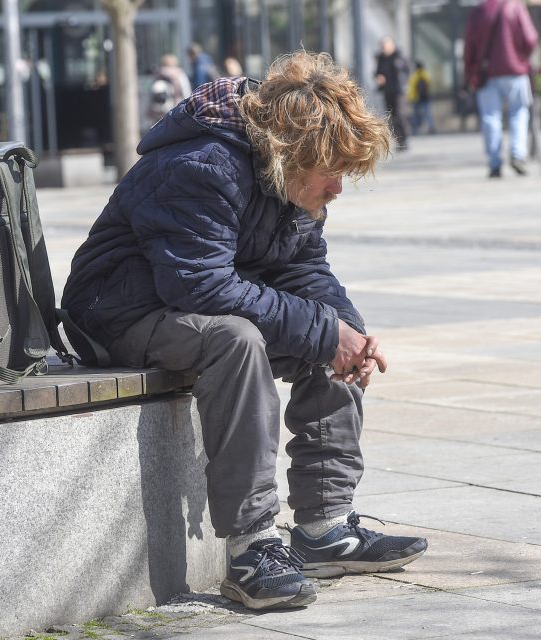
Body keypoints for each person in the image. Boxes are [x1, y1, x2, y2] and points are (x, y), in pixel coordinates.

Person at [61, 51, 428, 611]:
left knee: (323, 332)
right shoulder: (202, 164)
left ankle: (324, 530)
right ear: (292, 152)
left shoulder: (288, 174)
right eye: (332, 171)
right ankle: (253, 547)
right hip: (119, 312)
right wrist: (325, 332)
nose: (338, 189)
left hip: (189, 300)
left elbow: (302, 269)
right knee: (238, 338)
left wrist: (346, 331)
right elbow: (200, 288)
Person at [463, 0, 538, 178]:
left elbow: (469, 46)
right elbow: (530, 39)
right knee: (519, 112)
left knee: (490, 117)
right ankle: (518, 154)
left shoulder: (479, 11)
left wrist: (469, 73)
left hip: (487, 72)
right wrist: (521, 57)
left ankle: (494, 162)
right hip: (515, 71)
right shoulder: (515, 7)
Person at [374, 36, 410, 150]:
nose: (384, 48)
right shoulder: (381, 58)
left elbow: (408, 70)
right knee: (391, 117)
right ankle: (399, 140)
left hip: (398, 91)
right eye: (382, 46)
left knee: (400, 115)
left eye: (386, 45)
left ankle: (404, 139)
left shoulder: (399, 56)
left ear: (392, 45)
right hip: (387, 91)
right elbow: (377, 72)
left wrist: (404, 82)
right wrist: (379, 77)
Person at [147, 53, 192, 123]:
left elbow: (151, 93)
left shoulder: (157, 74)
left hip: (159, 111)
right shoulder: (179, 74)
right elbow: (186, 92)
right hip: (175, 110)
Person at [407, 61, 436, 135]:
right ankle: (430, 127)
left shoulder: (416, 75)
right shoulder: (425, 74)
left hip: (416, 98)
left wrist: (409, 97)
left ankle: (416, 129)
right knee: (426, 113)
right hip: (424, 97)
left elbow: (411, 87)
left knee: (417, 114)